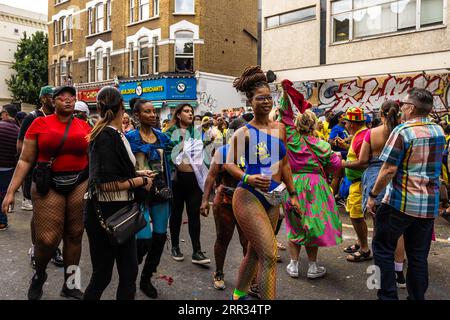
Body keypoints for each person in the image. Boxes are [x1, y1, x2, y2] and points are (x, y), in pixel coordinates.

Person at [2, 86, 91, 300]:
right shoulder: (39, 123)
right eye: (62, 98)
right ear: (53, 101)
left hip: (79, 181)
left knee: (75, 235)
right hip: (48, 183)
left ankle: (71, 285)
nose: (68, 101)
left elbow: (93, 156)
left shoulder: (84, 125)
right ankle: (39, 275)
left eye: (72, 98)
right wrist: (10, 191)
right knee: (47, 240)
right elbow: (24, 160)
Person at [224, 66, 300, 300]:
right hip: (248, 196)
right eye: (260, 98)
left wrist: (294, 195)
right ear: (250, 101)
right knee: (269, 254)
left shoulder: (280, 128)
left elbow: (285, 163)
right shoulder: (244, 133)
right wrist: (247, 177)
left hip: (275, 197)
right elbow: (229, 164)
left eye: (269, 97)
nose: (266, 102)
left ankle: (238, 295)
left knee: (255, 252)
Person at [367, 88, 445, 300]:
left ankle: (387, 296)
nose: (400, 107)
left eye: (403, 104)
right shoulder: (438, 131)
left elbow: (389, 169)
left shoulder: (403, 131)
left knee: (382, 248)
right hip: (428, 206)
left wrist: (373, 196)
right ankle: (417, 297)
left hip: (399, 203)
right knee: (418, 256)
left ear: (411, 108)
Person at [83, 87, 155, 300]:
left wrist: (139, 172)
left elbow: (115, 170)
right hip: (105, 214)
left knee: (129, 272)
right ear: (122, 109)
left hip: (121, 210)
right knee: (102, 276)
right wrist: (141, 181)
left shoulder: (116, 134)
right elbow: (103, 184)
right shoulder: (106, 136)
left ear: (99, 108)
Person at [278, 84, 342, 280]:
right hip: (316, 186)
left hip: (294, 184)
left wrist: (284, 94)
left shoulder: (292, 140)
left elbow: (284, 116)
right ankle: (313, 267)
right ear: (314, 125)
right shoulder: (322, 144)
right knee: (312, 224)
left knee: (295, 223)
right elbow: (335, 166)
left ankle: (294, 264)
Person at [342, 100, 405, 286]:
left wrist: (342, 163)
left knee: (379, 230)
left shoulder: (372, 133)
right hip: (399, 181)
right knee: (398, 230)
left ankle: (378, 278)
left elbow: (363, 160)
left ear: (381, 114)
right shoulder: (403, 132)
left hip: (376, 182)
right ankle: (399, 273)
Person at [125, 99, 172, 299]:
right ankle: (129, 271)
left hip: (160, 192)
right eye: (147, 112)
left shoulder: (162, 137)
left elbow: (168, 163)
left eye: (154, 112)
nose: (153, 115)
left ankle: (146, 278)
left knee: (160, 238)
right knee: (143, 240)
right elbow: (125, 166)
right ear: (137, 115)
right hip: (139, 193)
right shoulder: (129, 138)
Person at [16, 86, 64, 268]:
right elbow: (20, 147)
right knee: (38, 214)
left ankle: (54, 248)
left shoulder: (61, 118)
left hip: (59, 173)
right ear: (44, 98)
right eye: (53, 96)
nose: (56, 99)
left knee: (58, 215)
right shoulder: (32, 118)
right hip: (38, 173)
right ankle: (36, 249)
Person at [200, 118, 249, 290]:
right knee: (223, 238)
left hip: (247, 200)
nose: (247, 133)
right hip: (225, 199)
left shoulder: (255, 151)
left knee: (247, 241)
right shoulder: (223, 151)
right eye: (243, 130)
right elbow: (211, 176)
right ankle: (219, 273)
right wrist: (205, 200)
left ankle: (248, 279)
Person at [165, 104, 210, 264]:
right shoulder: (170, 132)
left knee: (194, 215)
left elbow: (203, 156)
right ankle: (175, 247)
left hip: (194, 181)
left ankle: (197, 251)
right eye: (186, 111)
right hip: (177, 181)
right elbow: (167, 154)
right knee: (176, 214)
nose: (190, 114)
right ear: (178, 115)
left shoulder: (195, 132)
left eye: (191, 111)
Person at [342, 106, 371, 262]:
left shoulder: (360, 137)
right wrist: (345, 148)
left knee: (356, 216)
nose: (345, 125)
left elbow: (363, 162)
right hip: (357, 183)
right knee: (358, 216)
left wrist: (342, 164)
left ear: (352, 124)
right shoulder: (360, 134)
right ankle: (361, 242)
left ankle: (365, 249)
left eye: (346, 122)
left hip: (360, 183)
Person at [0, 105, 20, 231]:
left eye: (2, 112)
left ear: (6, 113)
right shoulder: (18, 130)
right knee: (3, 195)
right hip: (8, 169)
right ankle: (2, 222)